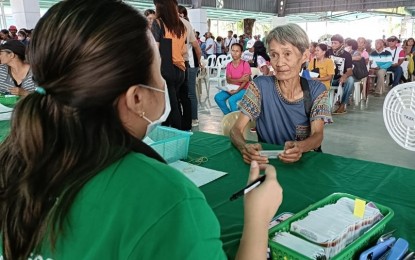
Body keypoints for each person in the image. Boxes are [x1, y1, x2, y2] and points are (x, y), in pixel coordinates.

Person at [0, 1, 283, 259]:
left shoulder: (15, 158)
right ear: (136, 97)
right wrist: (258, 221)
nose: (163, 81)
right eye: (159, 70)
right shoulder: (166, 199)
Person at [230, 23, 332, 164]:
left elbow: (317, 135)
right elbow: (236, 129)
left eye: (287, 54)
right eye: (274, 55)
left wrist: (300, 147)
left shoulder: (316, 90)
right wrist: (244, 147)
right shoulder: (260, 86)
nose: (279, 63)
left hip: (303, 163)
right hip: (266, 163)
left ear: (304, 56)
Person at [151, 0, 187, 130]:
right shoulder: (181, 25)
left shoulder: (158, 23)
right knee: (172, 102)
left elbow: (155, 49)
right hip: (181, 70)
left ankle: (178, 134)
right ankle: (168, 130)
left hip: (166, 70)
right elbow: (183, 50)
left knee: (171, 106)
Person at [214, 43, 251, 115]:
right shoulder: (229, 65)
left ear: (241, 53)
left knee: (231, 100)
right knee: (218, 97)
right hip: (231, 87)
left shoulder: (245, 64)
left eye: (237, 51)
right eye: (233, 51)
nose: (234, 53)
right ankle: (229, 115)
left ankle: (236, 121)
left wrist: (237, 90)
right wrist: (240, 79)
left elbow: (246, 81)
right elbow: (228, 80)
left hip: (244, 89)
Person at [327, 34, 354, 115]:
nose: (333, 45)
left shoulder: (347, 55)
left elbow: (350, 71)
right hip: (328, 78)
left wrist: (345, 76)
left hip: (339, 79)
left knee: (350, 80)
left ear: (341, 43)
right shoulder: (328, 52)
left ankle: (343, 105)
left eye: (335, 43)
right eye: (332, 43)